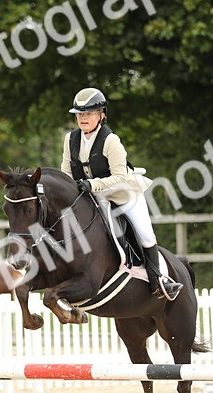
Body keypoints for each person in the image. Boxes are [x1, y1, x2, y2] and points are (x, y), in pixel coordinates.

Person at [59, 87, 182, 299]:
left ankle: (158, 281)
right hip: (93, 198)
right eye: (80, 114)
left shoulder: (110, 140)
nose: (83, 118)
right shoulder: (71, 139)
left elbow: (120, 177)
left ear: (101, 114)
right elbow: (66, 172)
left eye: (88, 113)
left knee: (145, 233)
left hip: (123, 194)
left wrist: (92, 185)